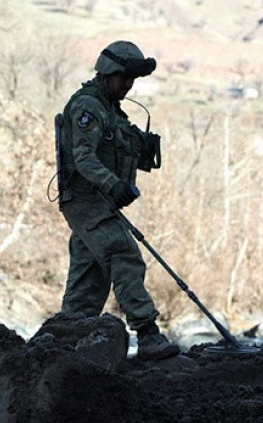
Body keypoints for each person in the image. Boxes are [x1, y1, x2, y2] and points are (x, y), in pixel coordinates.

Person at [55, 40, 179, 360]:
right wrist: (114, 185)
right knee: (123, 253)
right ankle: (148, 334)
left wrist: (140, 148)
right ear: (108, 73)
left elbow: (115, 149)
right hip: (87, 200)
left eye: (132, 80)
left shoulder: (110, 110)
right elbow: (83, 158)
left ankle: (62, 345)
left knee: (90, 279)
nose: (128, 85)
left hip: (97, 201)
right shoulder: (89, 107)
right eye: (125, 78)